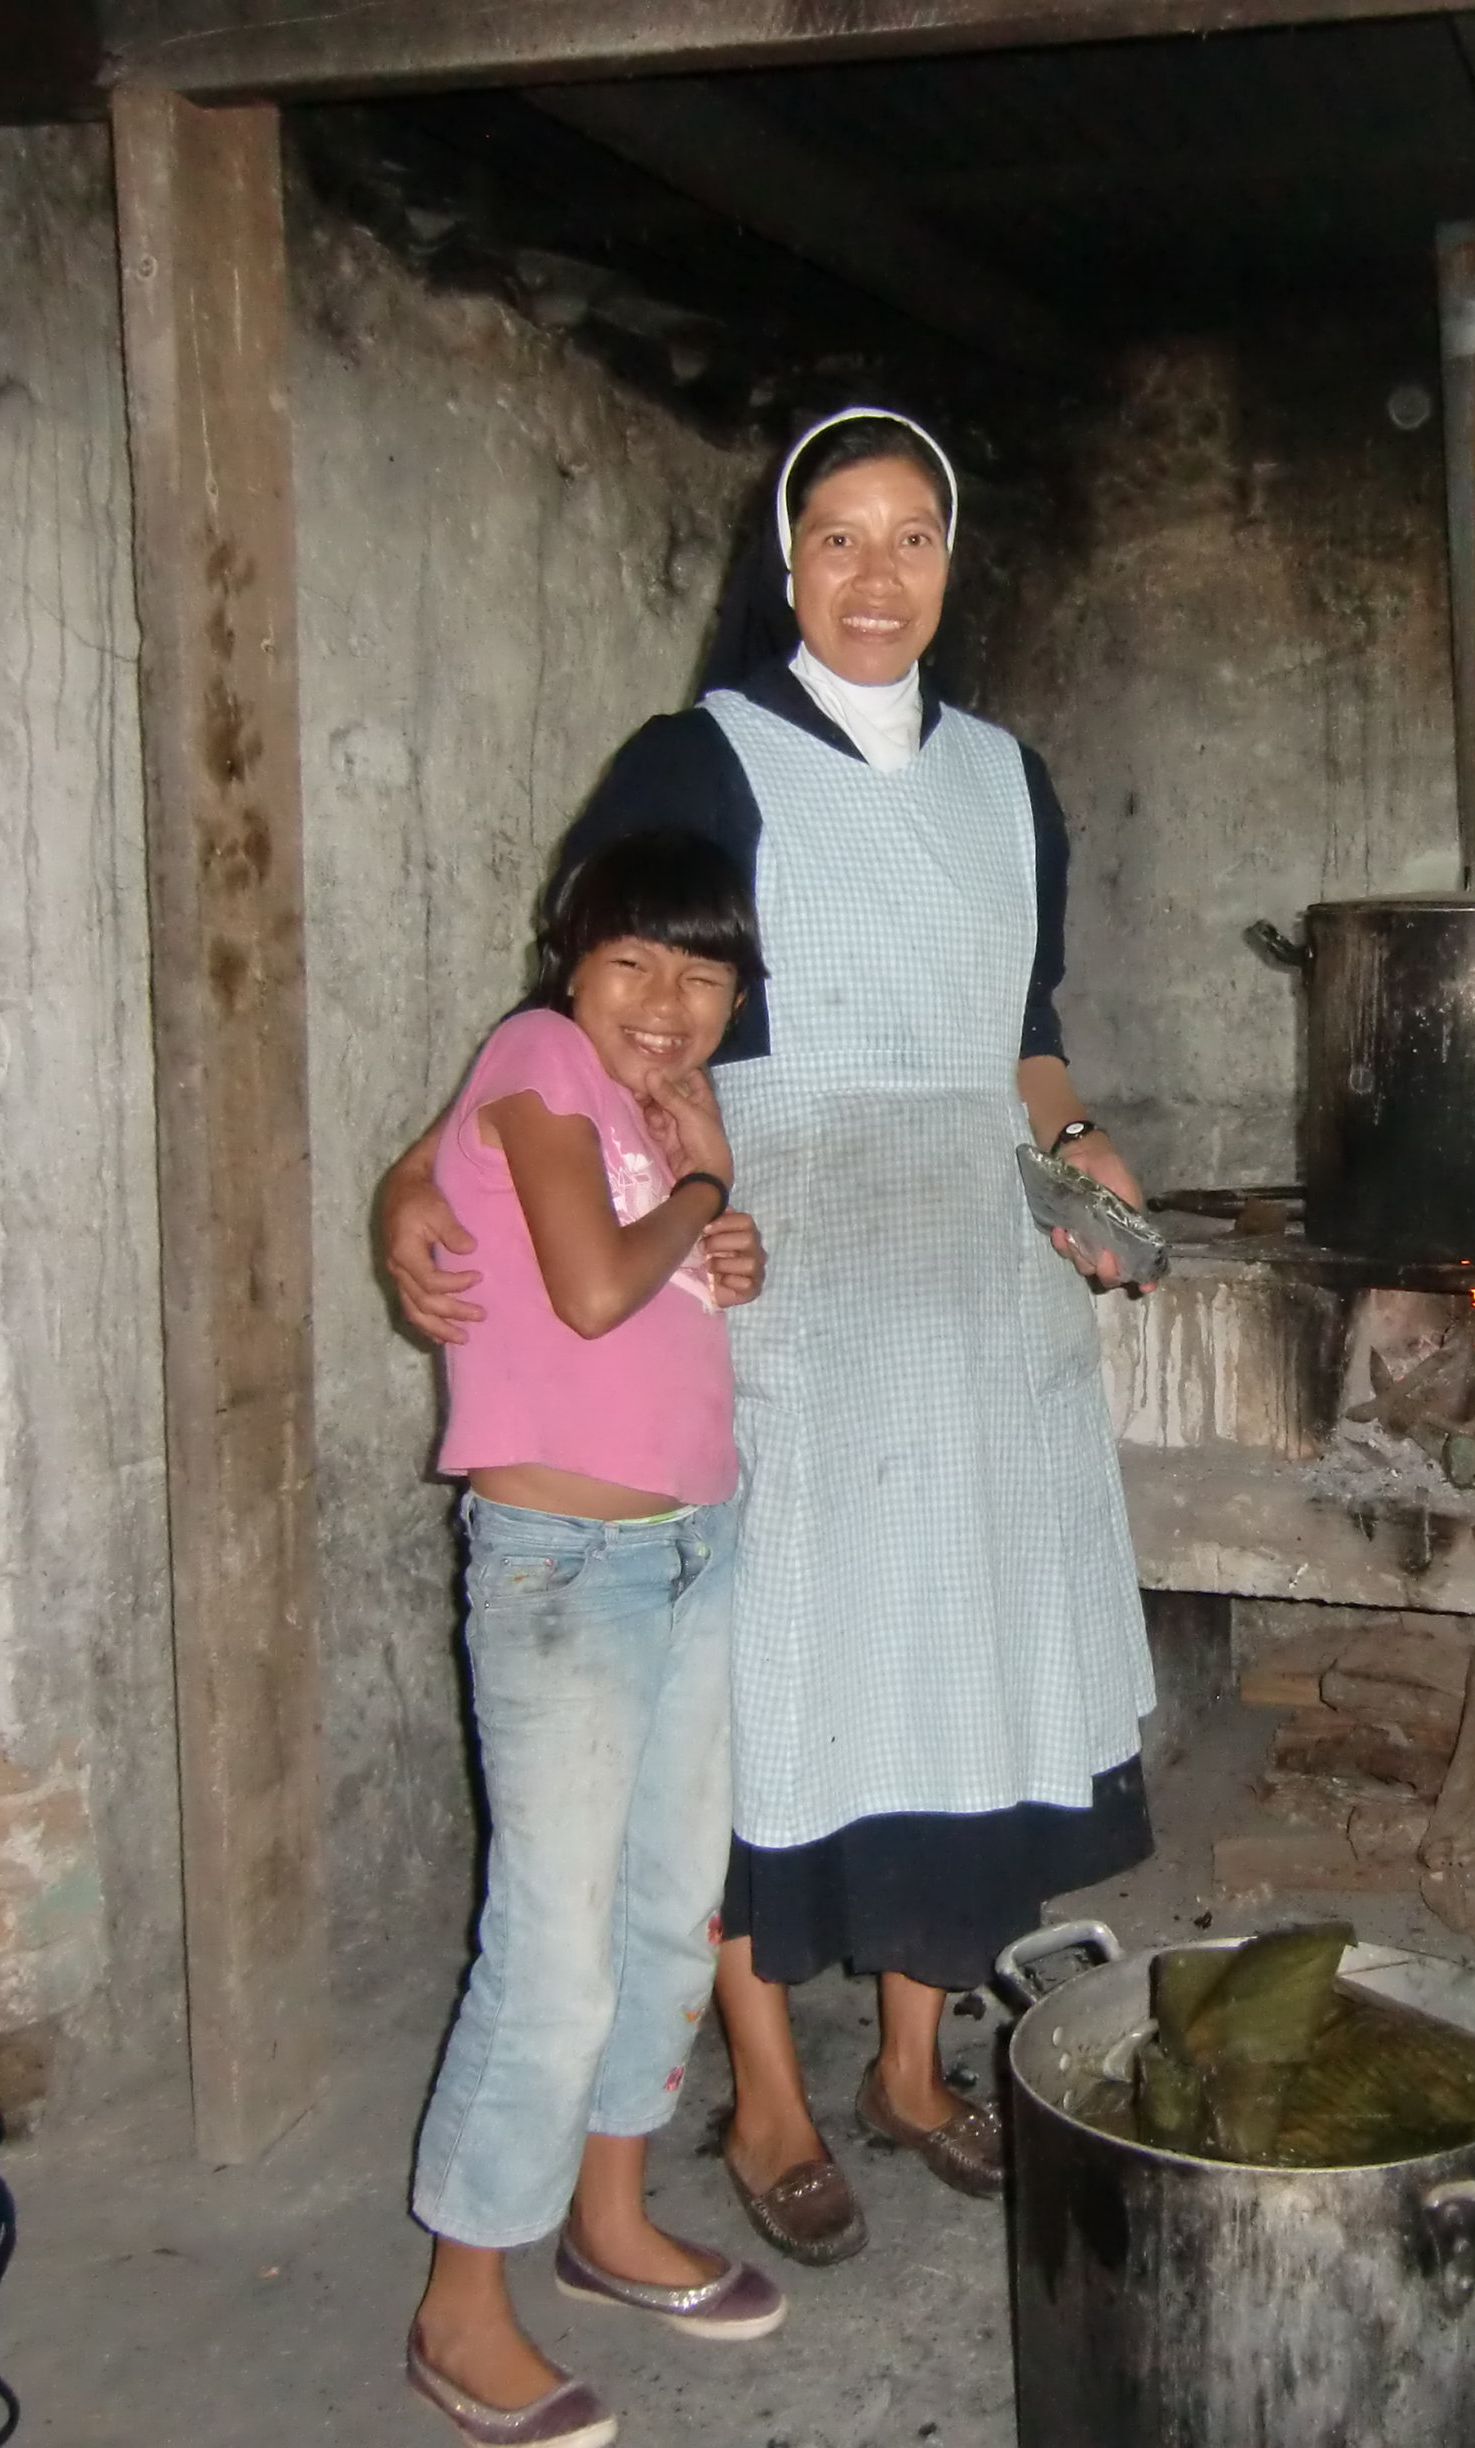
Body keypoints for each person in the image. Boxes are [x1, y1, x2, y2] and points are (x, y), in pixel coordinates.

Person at [385, 407, 1157, 2268]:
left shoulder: (1008, 780)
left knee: (958, 1656)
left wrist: (1073, 1144)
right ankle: (767, 2098)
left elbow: (1025, 1028)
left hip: (973, 1280)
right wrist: (422, 1168)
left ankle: (907, 2066)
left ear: (953, 564)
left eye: (914, 537)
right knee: (778, 1684)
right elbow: (580, 997)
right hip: (782, 1265)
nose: (877, 576)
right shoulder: (702, 756)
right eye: (839, 538)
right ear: (785, 561)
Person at [402, 831, 784, 2448]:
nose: (667, 1001)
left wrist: (720, 1244)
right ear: (569, 960)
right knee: (552, 1950)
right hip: (566, 1568)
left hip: (698, 1540)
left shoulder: (652, 1108)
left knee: (667, 1912)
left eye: (704, 973)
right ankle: (458, 2304)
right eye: (633, 961)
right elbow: (585, 1288)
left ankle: (610, 2217)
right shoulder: (539, 1057)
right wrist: (705, 1192)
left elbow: (659, 1294)